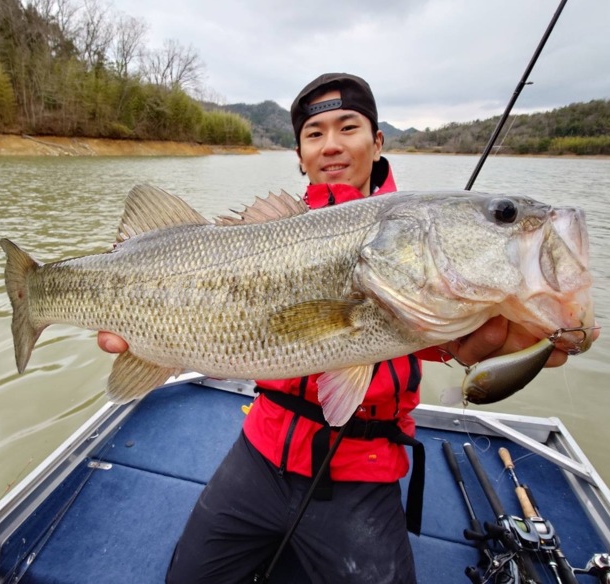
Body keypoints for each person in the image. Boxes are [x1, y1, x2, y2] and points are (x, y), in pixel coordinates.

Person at [96, 73, 576, 583]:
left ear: (378, 141)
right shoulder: (276, 231)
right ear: (299, 155)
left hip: (363, 467)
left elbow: (433, 335)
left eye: (348, 127)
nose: (331, 145)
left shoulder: (414, 244)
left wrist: (495, 333)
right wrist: (158, 332)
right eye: (314, 133)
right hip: (261, 447)